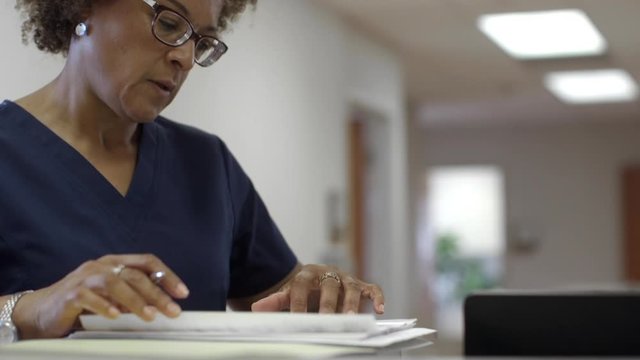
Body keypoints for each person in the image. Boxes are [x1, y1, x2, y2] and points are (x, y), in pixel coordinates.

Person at [0, 0, 384, 341]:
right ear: (84, 7)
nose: (184, 57)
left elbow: (280, 301)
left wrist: (324, 293)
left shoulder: (207, 163)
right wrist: (30, 309)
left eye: (200, 42)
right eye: (168, 24)